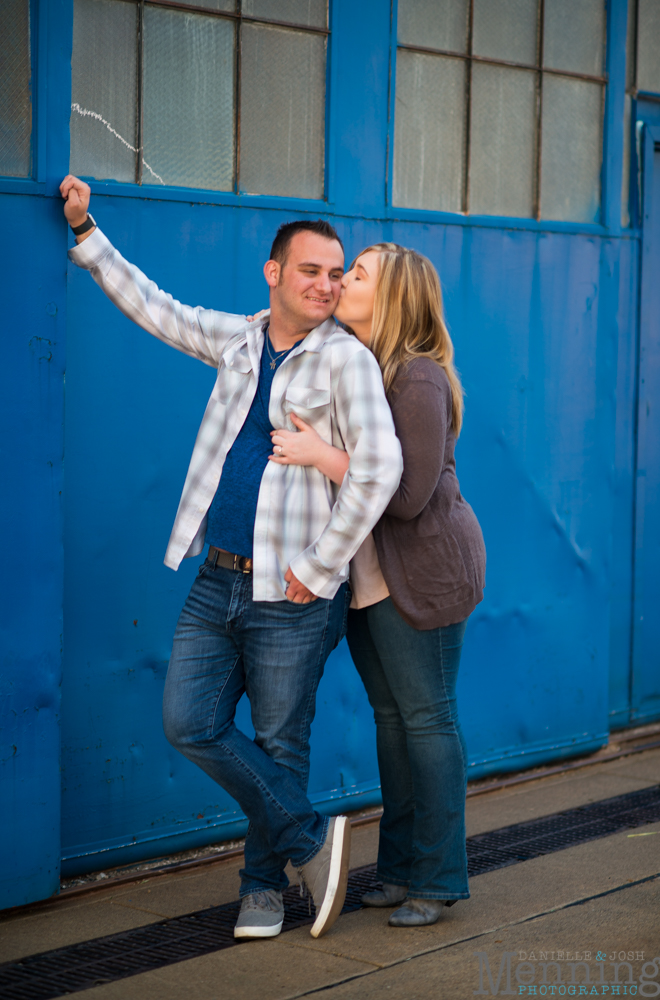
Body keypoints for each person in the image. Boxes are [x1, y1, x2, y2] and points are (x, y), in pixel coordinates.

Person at [59, 176, 403, 940]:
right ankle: (311, 841)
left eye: (336, 273)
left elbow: (380, 470)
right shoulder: (240, 338)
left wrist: (319, 568)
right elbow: (157, 308)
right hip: (217, 577)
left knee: (281, 742)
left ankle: (260, 891)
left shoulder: (346, 361)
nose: (326, 284)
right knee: (189, 721)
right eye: (310, 270)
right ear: (274, 273)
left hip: (295, 590)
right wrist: (87, 235)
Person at [268, 243, 486, 927]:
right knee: (393, 723)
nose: (339, 282)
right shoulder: (362, 365)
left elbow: (410, 495)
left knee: (426, 721)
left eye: (355, 274)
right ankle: (398, 870)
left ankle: (439, 878)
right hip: (369, 578)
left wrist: (321, 455)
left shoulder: (416, 377)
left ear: (390, 296)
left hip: (422, 573)